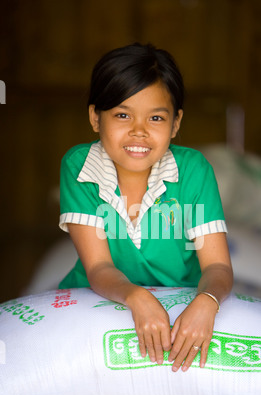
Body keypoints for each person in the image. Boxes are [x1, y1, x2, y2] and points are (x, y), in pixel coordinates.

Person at [59, 43, 233, 372]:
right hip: (98, 297)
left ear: (176, 123)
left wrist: (206, 302)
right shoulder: (79, 167)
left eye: (155, 117)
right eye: (122, 115)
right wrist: (136, 297)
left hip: (184, 300)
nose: (139, 131)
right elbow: (98, 269)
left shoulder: (194, 171)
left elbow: (218, 268)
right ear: (95, 117)